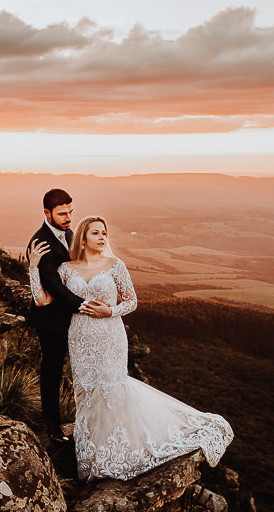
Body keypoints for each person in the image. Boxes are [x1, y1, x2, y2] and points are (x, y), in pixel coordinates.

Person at [27, 215, 234, 482]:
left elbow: (132, 301)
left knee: (112, 388)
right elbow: (42, 301)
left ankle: (119, 449)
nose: (102, 237)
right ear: (83, 238)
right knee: (87, 392)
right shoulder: (66, 269)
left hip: (110, 335)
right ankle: (94, 455)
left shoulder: (115, 265)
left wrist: (110, 311)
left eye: (105, 233)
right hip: (81, 339)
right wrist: (34, 267)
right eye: (96, 233)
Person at [25, 189, 111, 443]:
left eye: (70, 212)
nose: (68, 218)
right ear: (46, 213)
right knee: (52, 371)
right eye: (62, 213)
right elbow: (55, 288)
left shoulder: (69, 233)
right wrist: (87, 306)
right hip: (51, 321)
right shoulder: (39, 243)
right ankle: (52, 427)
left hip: (72, 318)